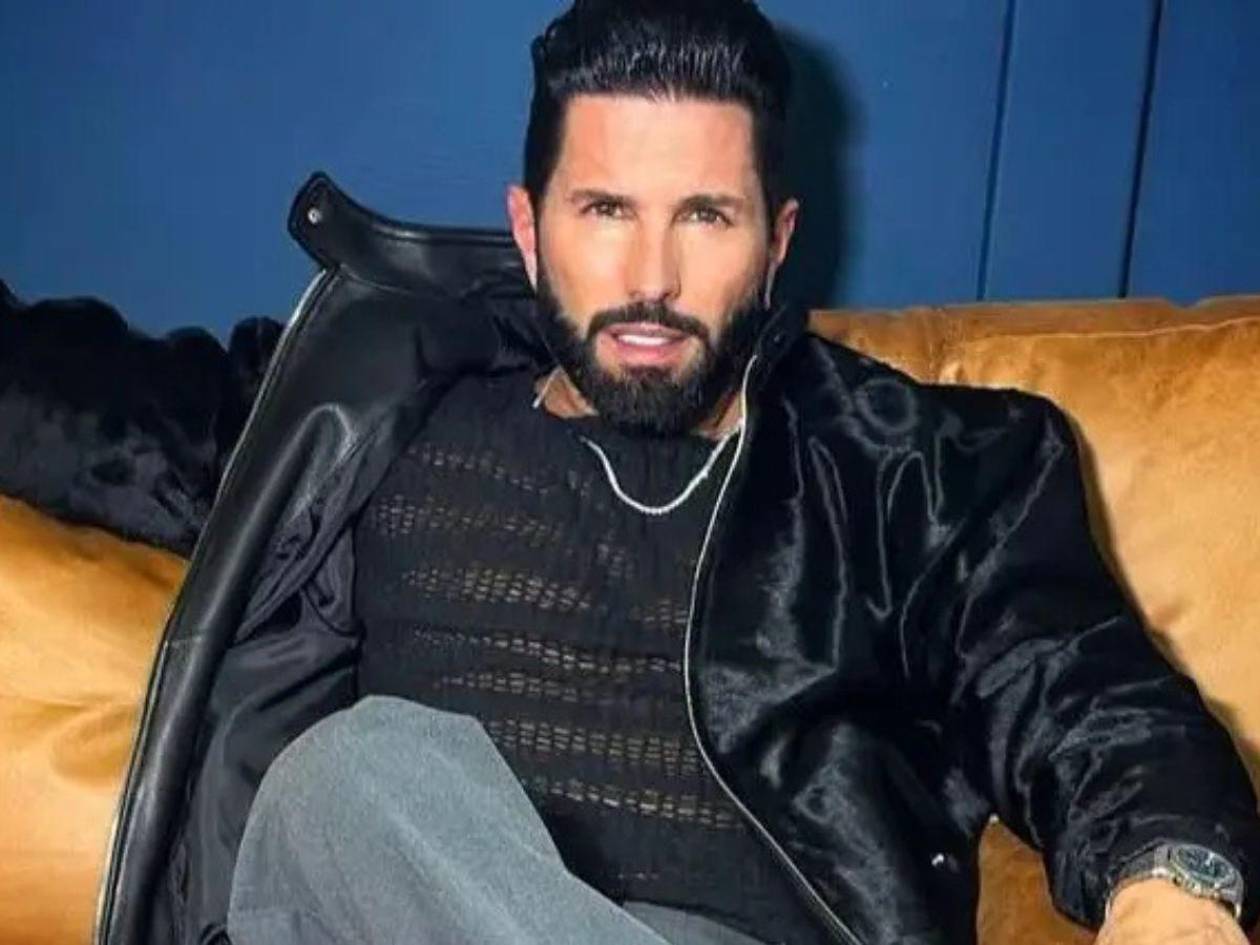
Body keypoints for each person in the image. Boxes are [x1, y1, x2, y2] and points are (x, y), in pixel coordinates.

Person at [101, 2, 1260, 944]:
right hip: (366, 909)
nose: (651, 276)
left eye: (705, 216)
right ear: (529, 229)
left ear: (777, 242)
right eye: (605, 210)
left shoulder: (912, 470)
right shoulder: (373, 409)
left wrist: (1172, 883)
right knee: (346, 785)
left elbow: (1078, 687)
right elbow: (81, 409)